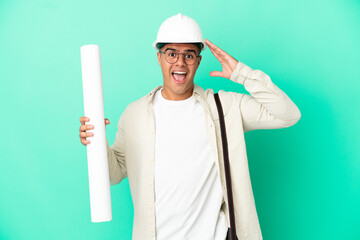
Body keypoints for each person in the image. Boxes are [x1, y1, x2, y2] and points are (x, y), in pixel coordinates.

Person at [79, 13, 301, 240]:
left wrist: (241, 74)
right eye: (171, 53)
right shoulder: (134, 113)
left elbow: (288, 115)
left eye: (189, 55)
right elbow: (114, 174)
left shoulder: (224, 107)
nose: (180, 62)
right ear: (159, 57)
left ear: (199, 61)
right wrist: (96, 143)